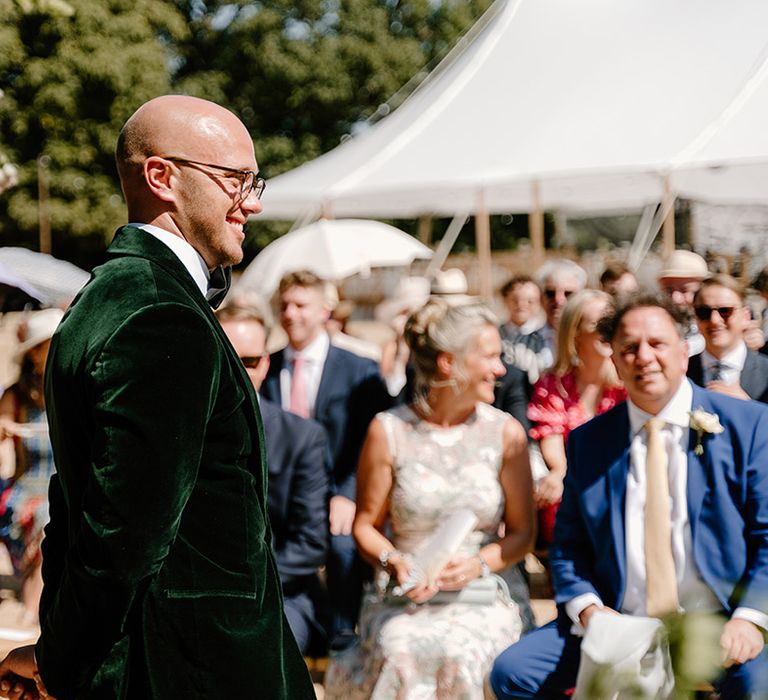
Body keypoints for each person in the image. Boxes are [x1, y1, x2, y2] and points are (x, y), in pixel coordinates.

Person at [0, 95, 314, 699]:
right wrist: (61, 658)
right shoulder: (157, 313)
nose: (253, 201)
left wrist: (57, 650)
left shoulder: (110, 296)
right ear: (161, 176)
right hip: (187, 667)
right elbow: (122, 531)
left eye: (256, 181)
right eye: (235, 179)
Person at [491, 293, 768, 699]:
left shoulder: (749, 425)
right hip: (618, 623)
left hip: (720, 619)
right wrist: (588, 608)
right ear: (615, 360)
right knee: (512, 673)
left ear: (682, 348)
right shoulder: (590, 441)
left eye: (656, 344)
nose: (644, 357)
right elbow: (568, 546)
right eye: (629, 348)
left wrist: (749, 618)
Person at [324, 299, 535, 699]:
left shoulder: (505, 433)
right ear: (447, 363)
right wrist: (395, 560)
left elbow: (524, 534)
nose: (500, 369)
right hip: (404, 596)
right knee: (399, 649)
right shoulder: (388, 431)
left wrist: (476, 565)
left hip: (484, 592)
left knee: (460, 652)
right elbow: (365, 526)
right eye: (489, 356)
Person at [262, 270, 391, 647]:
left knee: (342, 545)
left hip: (340, 491)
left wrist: (350, 493)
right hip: (282, 497)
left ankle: (343, 632)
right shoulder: (264, 367)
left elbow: (373, 441)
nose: (290, 314)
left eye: (300, 305)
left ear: (324, 310)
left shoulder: (359, 371)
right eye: (283, 306)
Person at [218, 303, 330, 655]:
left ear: (265, 364)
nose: (238, 372)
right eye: (228, 359)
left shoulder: (302, 437)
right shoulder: (181, 436)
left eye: (249, 361)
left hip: (281, 591)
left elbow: (310, 543)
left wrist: (246, 588)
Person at [527, 289, 626, 548]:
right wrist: (559, 471)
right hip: (573, 480)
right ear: (575, 333)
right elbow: (551, 433)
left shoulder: (627, 380)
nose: (608, 331)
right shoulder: (553, 383)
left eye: (611, 322)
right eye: (597, 324)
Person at [0, 309, 63, 625]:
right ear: (34, 354)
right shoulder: (17, 396)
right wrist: (6, 430)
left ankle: (40, 606)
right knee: (45, 514)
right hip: (25, 488)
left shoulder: (67, 392)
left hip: (59, 488)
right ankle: (31, 608)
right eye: (50, 344)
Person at [687, 274, 768, 403]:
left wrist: (749, 408)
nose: (714, 320)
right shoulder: (681, 372)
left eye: (725, 311)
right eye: (704, 312)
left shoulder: (765, 371)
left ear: (745, 317)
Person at [657, 249, 708, 356]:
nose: (676, 298)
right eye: (669, 290)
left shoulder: (718, 328)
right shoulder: (653, 327)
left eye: (684, 290)